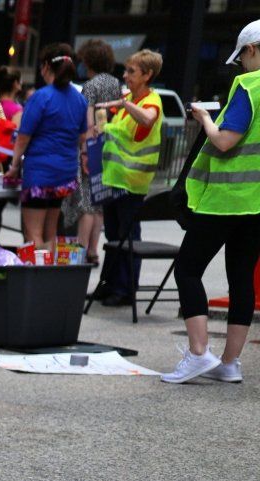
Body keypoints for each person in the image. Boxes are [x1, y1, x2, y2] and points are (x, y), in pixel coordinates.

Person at [161, 21, 260, 385]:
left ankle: (199, 353)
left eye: (242, 58)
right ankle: (230, 363)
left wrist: (205, 118)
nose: (241, 66)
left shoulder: (249, 85)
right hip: (257, 204)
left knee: (188, 269)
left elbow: (224, 141)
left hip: (224, 199)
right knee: (241, 278)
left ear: (251, 50)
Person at [92, 50, 164, 308]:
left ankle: (125, 289)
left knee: (127, 236)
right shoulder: (129, 99)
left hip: (132, 182)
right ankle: (108, 284)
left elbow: (148, 119)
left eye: (131, 71)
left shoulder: (151, 101)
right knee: (113, 236)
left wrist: (124, 105)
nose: (125, 75)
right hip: (114, 178)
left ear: (147, 75)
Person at [5, 45, 85, 252]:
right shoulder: (79, 98)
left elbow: (23, 137)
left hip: (40, 173)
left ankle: (36, 272)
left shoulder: (41, 96)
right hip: (65, 173)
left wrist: (14, 166)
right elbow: (82, 137)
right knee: (51, 233)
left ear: (46, 67)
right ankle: (51, 271)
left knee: (33, 234)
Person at [64, 41, 124, 265]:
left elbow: (88, 118)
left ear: (89, 61)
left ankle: (80, 251)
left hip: (92, 144)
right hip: (110, 143)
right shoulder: (115, 83)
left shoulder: (90, 86)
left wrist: (84, 150)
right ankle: (93, 250)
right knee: (100, 201)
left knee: (87, 203)